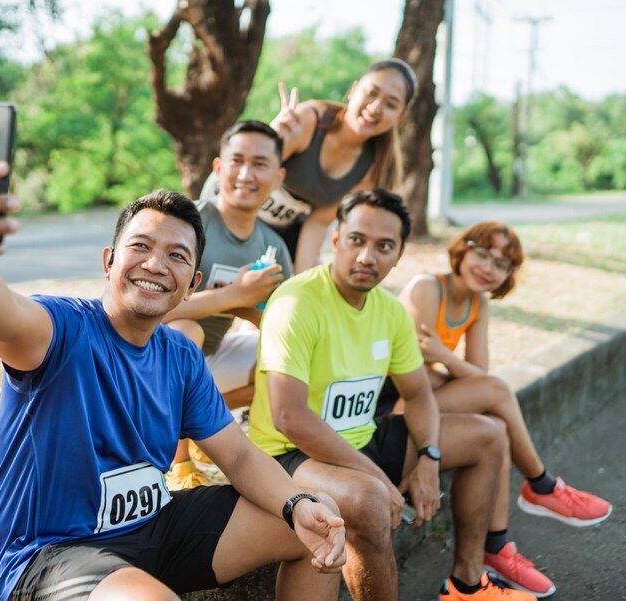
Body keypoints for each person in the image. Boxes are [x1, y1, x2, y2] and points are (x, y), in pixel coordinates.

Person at [0, 139, 347, 601]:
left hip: (154, 527)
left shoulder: (180, 355)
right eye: (140, 246)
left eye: (177, 256)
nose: (156, 264)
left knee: (314, 523)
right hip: (53, 552)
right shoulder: (60, 329)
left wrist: (297, 503)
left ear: (191, 285)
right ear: (109, 262)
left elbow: (239, 457)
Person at [248, 189, 536, 601]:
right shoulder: (297, 302)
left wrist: (429, 457)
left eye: (384, 246)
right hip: (291, 454)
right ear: (335, 239)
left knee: (488, 435)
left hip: (361, 439)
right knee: (367, 501)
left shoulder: (389, 310)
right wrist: (376, 477)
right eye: (357, 240)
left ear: (399, 254)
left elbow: (419, 394)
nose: (367, 256)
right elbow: (289, 417)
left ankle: (467, 584)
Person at [386, 220, 612, 596]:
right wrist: (450, 372)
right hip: (393, 405)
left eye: (502, 264)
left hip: (426, 398)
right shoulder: (427, 288)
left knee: (495, 420)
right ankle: (541, 486)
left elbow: (479, 375)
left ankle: (496, 549)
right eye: (482, 255)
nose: (489, 269)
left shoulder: (477, 304)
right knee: (494, 394)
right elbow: (407, 374)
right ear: (462, 249)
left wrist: (443, 357)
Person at [163, 120, 293, 489]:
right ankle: (180, 462)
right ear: (219, 168)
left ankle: (207, 429)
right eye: (237, 161)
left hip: (213, 358)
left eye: (260, 164)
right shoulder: (187, 223)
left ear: (278, 176)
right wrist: (232, 295)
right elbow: (154, 310)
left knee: (284, 358)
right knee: (184, 334)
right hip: (150, 363)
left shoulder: (274, 246)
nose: (246, 174)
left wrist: (250, 308)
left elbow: (282, 325)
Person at [266, 58, 416, 272]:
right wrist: (271, 136)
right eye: (371, 93)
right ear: (353, 90)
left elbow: (317, 223)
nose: (375, 108)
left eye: (390, 104)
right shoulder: (308, 119)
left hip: (286, 236)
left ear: (401, 117)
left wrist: (298, 280)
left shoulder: (374, 168)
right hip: (237, 209)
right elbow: (250, 170)